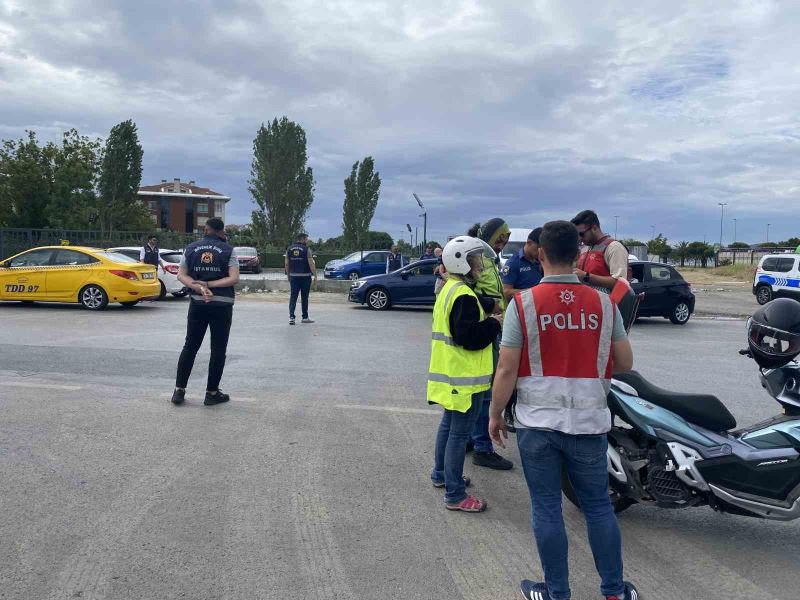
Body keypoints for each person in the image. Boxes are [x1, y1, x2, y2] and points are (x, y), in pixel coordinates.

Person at [488, 220, 639, 600]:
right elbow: (624, 362)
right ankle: (614, 591)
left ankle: (557, 592)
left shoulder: (521, 305)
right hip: (589, 424)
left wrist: (494, 415)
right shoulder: (605, 304)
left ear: (541, 254)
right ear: (577, 255)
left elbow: (506, 369)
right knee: (598, 507)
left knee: (546, 508)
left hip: (537, 426)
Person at [428, 236, 502, 513]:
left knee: (448, 427)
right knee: (459, 434)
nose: (479, 266)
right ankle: (455, 495)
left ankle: (441, 475)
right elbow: (468, 337)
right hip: (464, 378)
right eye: (474, 261)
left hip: (450, 375)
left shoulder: (451, 288)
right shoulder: (463, 294)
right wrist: (494, 324)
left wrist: (486, 305)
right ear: (461, 262)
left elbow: (465, 310)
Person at [171, 218, 240, 406]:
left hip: (198, 304)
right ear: (221, 231)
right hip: (222, 305)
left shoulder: (191, 248)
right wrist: (210, 285)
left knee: (190, 346)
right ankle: (211, 393)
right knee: (218, 349)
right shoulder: (229, 250)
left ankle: (179, 391)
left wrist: (200, 288)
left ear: (206, 230)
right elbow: (234, 278)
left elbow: (181, 275)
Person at [466, 218, 513, 470]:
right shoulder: (478, 259)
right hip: (483, 329)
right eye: (501, 238)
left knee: (479, 390)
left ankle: (469, 439)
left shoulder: (489, 258)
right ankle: (482, 447)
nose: (504, 242)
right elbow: (468, 293)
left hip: (491, 327)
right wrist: (491, 306)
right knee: (485, 392)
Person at [570, 210, 628, 291]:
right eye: (577, 235)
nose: (580, 238)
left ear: (594, 228)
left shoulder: (614, 247)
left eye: (581, 234)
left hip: (605, 302)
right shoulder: (584, 249)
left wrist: (586, 276)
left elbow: (621, 283)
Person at [501, 227, 543, 301]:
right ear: (529, 242)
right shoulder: (513, 263)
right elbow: (506, 292)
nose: (540, 251)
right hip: (522, 307)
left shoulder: (541, 260)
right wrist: (534, 292)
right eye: (538, 247)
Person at [285, 232, 317, 325]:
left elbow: (287, 264)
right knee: (304, 298)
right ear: (302, 239)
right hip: (305, 277)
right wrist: (315, 275)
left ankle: (291, 317)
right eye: (306, 239)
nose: (307, 241)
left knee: (293, 297)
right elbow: (311, 263)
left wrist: (288, 276)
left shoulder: (289, 249)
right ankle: (305, 317)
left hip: (294, 277)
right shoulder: (307, 249)